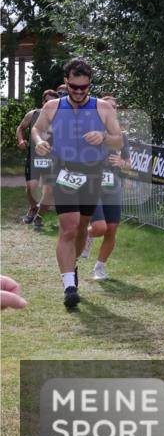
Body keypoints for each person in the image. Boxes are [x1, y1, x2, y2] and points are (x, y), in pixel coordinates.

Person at [30, 59, 124, 309]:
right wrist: (39, 141)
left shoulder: (103, 108)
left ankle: (73, 267)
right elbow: (36, 129)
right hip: (64, 171)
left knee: (83, 227)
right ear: (66, 82)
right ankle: (69, 286)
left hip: (92, 173)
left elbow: (119, 141)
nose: (79, 92)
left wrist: (104, 136)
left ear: (90, 84)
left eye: (84, 87)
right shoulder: (52, 106)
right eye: (74, 87)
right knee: (69, 228)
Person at [78, 96, 130, 279]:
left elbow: (129, 163)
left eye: (114, 107)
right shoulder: (91, 133)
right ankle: (86, 235)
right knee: (100, 227)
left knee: (112, 229)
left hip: (113, 186)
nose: (112, 110)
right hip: (92, 184)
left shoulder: (122, 136)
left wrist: (122, 162)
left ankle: (99, 268)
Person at [15, 89, 60, 227]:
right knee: (31, 187)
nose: (49, 104)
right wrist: (21, 141)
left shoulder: (61, 118)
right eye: (47, 101)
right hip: (33, 157)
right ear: (43, 102)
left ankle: (39, 217)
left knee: (49, 191)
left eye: (52, 102)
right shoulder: (33, 114)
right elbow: (20, 128)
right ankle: (33, 208)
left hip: (52, 159)